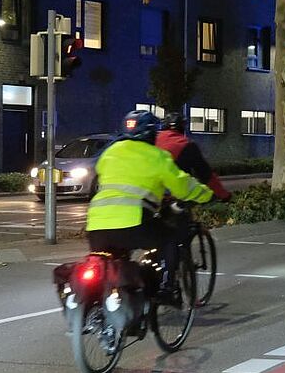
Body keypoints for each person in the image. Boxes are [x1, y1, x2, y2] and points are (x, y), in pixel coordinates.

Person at [86, 110, 213, 303]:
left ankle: (109, 311)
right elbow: (182, 186)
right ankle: (167, 288)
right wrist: (207, 195)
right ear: (153, 134)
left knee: (113, 265)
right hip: (133, 223)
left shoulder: (109, 153)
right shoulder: (157, 156)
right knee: (170, 239)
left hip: (95, 226)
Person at [156, 112, 231, 200]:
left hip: (147, 194)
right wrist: (224, 195)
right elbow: (205, 174)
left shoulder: (152, 140)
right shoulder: (187, 145)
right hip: (174, 196)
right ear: (183, 127)